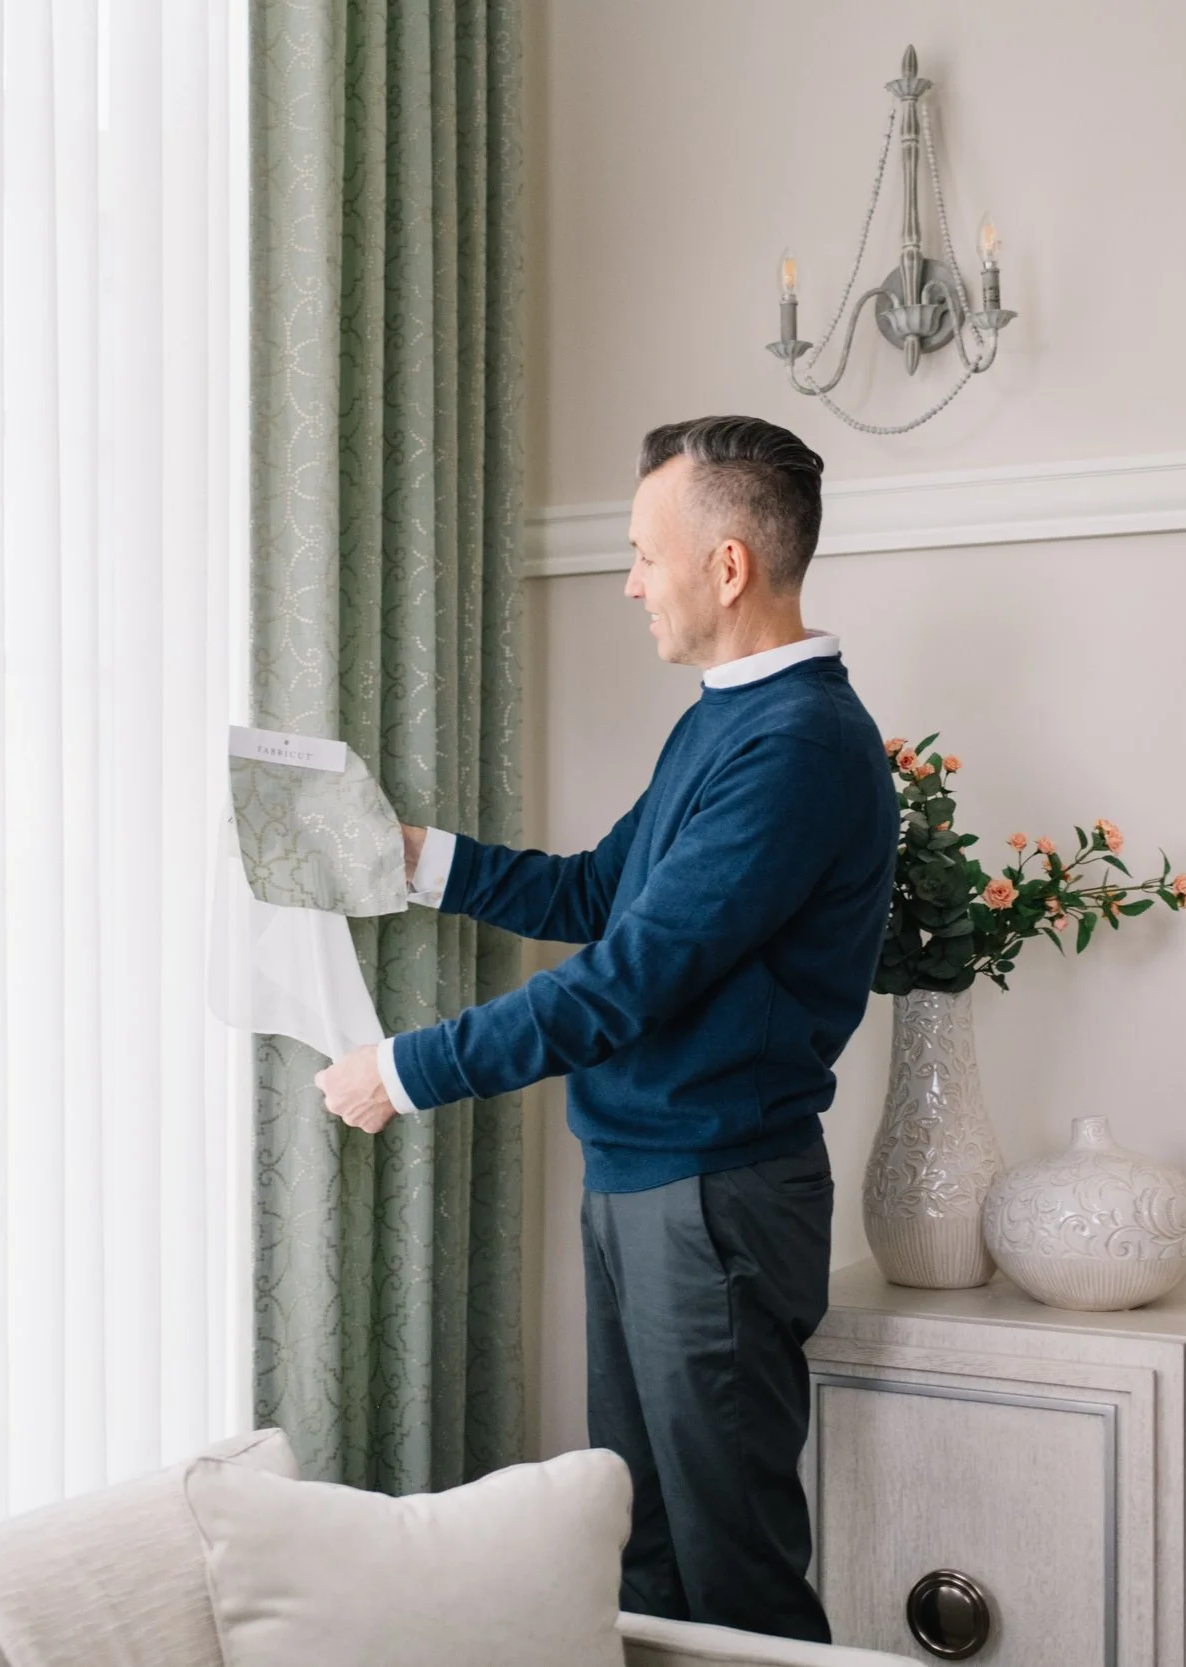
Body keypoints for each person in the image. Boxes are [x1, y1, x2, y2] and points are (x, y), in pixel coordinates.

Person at [311, 413, 895, 1643]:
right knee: (643, 1555)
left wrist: (406, 1070)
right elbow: (595, 894)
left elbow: (625, 980)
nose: (628, 578)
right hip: (646, 1177)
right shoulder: (724, 718)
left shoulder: (799, 747)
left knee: (735, 1574)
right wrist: (416, 858)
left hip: (714, 1196)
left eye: (642, 550)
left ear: (724, 566)